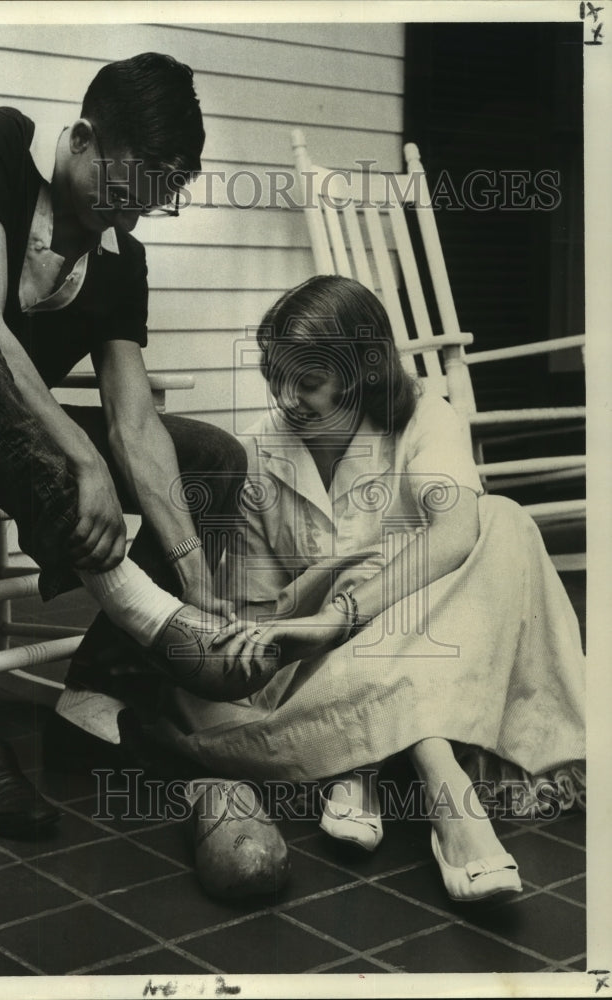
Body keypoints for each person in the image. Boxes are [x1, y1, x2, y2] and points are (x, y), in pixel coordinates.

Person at [0, 52, 279, 769]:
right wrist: (79, 453)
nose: (132, 213)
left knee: (212, 456)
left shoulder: (118, 260)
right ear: (80, 139)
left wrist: (195, 565)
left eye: (155, 198)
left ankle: (96, 695)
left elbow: (135, 423)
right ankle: (141, 610)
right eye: (127, 187)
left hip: (2, 451)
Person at [150, 275, 586, 903]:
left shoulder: (425, 418)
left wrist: (350, 607)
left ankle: (372, 768)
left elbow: (460, 532)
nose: (286, 398)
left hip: (437, 640)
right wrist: (327, 606)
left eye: (308, 382)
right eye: (276, 377)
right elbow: (260, 613)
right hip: (315, 669)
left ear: (360, 376)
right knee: (370, 563)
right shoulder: (258, 458)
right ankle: (440, 788)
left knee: (500, 521)